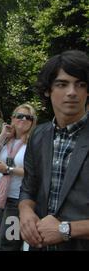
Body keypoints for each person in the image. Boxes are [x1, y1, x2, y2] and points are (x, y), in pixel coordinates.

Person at [19, 50, 89, 251]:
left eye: (81, 84)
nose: (72, 92)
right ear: (48, 90)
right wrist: (25, 212)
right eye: (62, 84)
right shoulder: (39, 136)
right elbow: (28, 188)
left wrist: (67, 229)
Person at [0, 103, 37, 250]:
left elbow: (35, 171)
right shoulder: (6, 140)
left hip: (18, 199)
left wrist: (9, 169)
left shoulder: (34, 143)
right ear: (12, 119)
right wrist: (2, 135)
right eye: (19, 116)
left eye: (28, 117)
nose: (23, 119)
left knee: (8, 244)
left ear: (32, 121)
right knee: (2, 236)